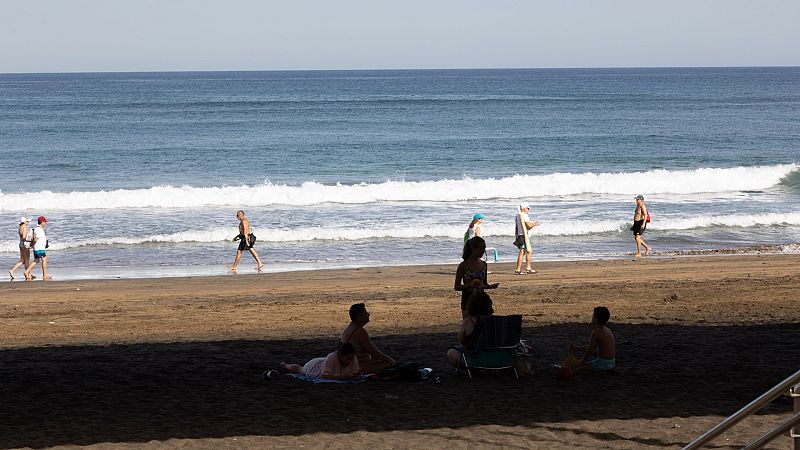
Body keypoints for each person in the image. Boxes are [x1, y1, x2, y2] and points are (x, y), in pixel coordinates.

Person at [340, 303, 396, 373]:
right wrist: (389, 359)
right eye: (366, 313)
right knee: (388, 364)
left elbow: (372, 348)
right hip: (356, 366)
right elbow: (372, 351)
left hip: (352, 363)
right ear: (360, 316)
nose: (368, 315)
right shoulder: (359, 331)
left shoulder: (351, 327)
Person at [446, 291, 494, 368]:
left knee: (451, 353)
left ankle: (473, 370)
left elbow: (461, 340)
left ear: (471, 305)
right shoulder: (497, 321)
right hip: (495, 358)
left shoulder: (469, 322)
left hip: (476, 359)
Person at [454, 236, 499, 318]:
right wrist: (469, 285)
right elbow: (457, 287)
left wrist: (491, 286)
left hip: (481, 297)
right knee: (469, 323)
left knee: (483, 324)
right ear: (473, 248)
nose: (483, 251)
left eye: (484, 248)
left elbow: (484, 283)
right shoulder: (463, 265)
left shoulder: (484, 264)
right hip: (468, 296)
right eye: (481, 249)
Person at [279, 342, 362, 381]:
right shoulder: (332, 357)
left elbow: (355, 373)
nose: (350, 362)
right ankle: (286, 365)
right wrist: (344, 377)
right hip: (315, 367)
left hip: (324, 362)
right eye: (347, 359)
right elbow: (324, 376)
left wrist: (357, 375)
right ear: (340, 355)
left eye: (351, 359)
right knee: (300, 369)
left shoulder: (353, 358)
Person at [570, 306, 616, 372]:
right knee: (581, 363)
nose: (592, 317)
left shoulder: (596, 332)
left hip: (603, 364)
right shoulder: (607, 330)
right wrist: (577, 348)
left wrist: (582, 362)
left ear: (596, 319)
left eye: (593, 316)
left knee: (578, 368)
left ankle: (600, 373)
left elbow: (589, 351)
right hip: (612, 363)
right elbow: (593, 348)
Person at [514, 203, 540, 275]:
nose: (528, 210)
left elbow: (516, 227)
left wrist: (516, 236)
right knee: (523, 252)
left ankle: (528, 268)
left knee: (528, 251)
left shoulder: (517, 216)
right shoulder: (524, 215)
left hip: (520, 235)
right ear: (524, 208)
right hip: (525, 236)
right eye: (528, 208)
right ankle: (518, 269)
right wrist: (535, 223)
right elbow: (529, 225)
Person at [23, 216, 51, 281]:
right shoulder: (38, 229)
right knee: (44, 259)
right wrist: (32, 245)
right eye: (45, 222)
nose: (45, 223)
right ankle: (45, 275)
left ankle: (27, 271)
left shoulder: (38, 229)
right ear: (41, 222)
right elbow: (36, 239)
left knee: (36, 260)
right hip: (39, 248)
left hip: (38, 247)